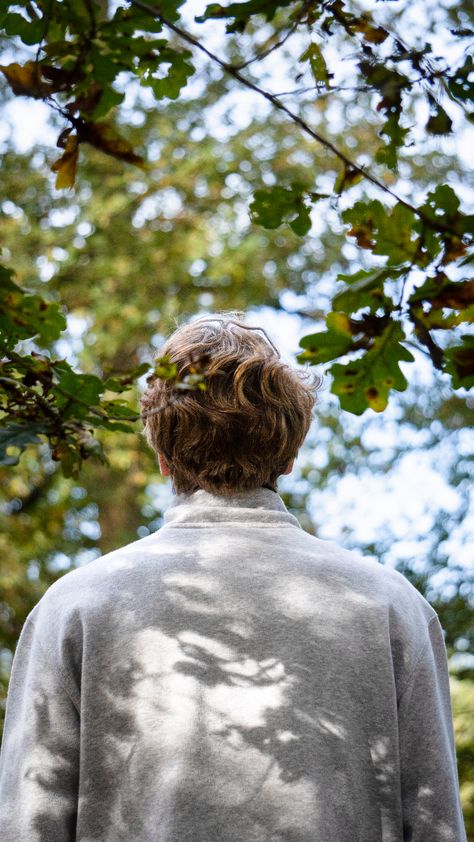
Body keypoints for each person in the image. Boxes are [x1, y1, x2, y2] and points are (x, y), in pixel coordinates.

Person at [0, 313, 466, 842]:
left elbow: (28, 821)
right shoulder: (389, 604)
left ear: (162, 457)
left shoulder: (75, 605)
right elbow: (434, 825)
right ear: (289, 457)